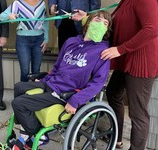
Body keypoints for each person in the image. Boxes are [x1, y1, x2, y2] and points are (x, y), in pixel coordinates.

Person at [10, 11, 112, 150]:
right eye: (97, 20)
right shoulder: (71, 41)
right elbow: (58, 66)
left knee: (19, 103)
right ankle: (26, 129)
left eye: (105, 24)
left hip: (64, 93)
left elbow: (97, 84)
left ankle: (34, 134)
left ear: (106, 30)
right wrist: (44, 79)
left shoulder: (102, 51)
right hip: (51, 83)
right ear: (88, 22)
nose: (100, 24)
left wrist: (75, 100)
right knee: (19, 87)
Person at [99, 0, 158, 150]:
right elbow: (112, 22)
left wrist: (120, 49)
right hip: (127, 61)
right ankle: (117, 137)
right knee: (113, 93)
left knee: (138, 114)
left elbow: (152, 29)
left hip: (143, 63)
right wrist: (87, 18)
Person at [0, 0, 49, 82]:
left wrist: (46, 39)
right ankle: (23, 96)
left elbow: (45, 22)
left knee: (36, 71)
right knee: (25, 71)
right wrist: (9, 16)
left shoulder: (42, 4)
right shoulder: (17, 4)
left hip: (39, 40)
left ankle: (34, 97)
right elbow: (1, 17)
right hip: (23, 41)